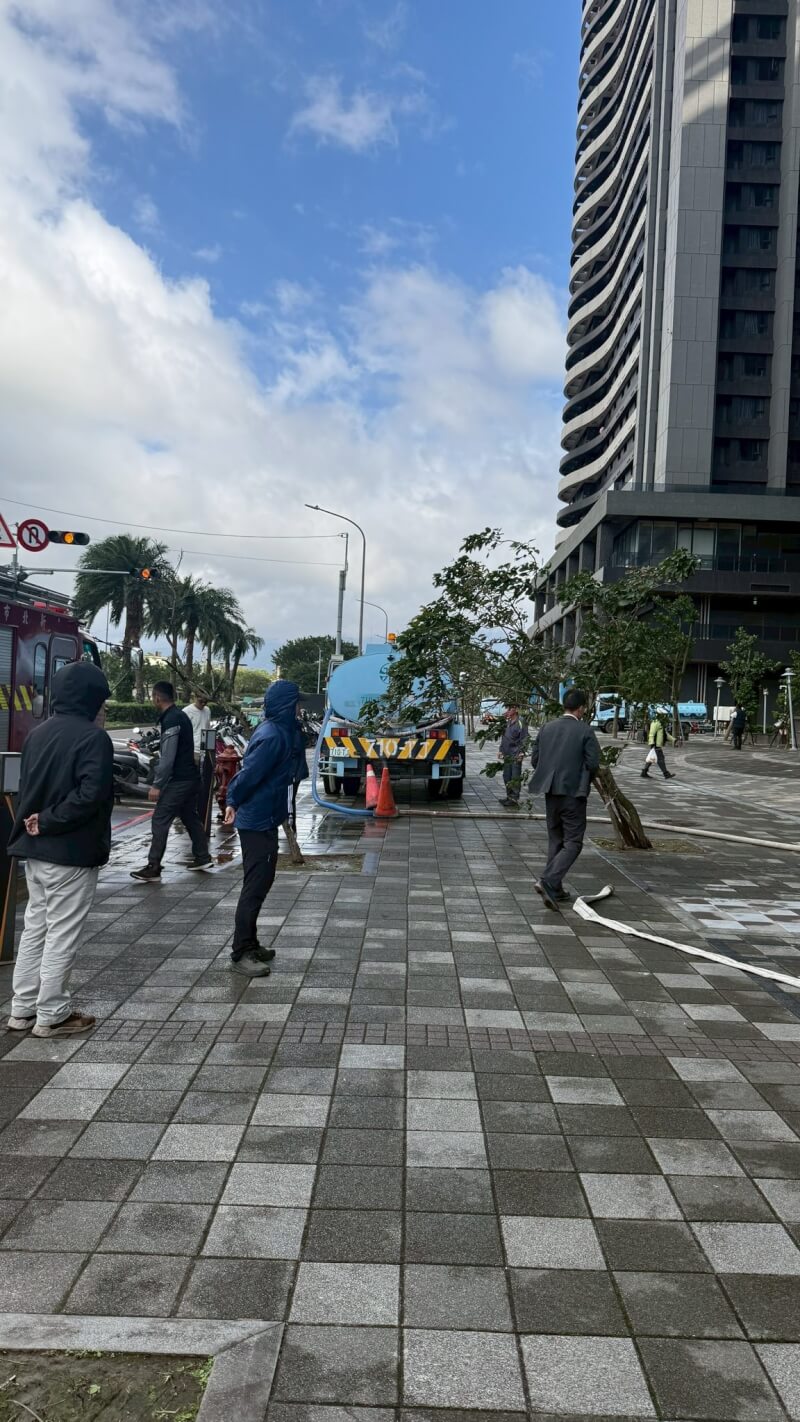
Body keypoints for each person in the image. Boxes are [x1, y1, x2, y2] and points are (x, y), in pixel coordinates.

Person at [5, 662, 113, 1037]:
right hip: (71, 850)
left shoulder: (38, 733)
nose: (102, 707)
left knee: (35, 928)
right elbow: (89, 796)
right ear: (90, 699)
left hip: (34, 851)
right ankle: (52, 1013)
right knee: (62, 932)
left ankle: (21, 1010)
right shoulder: (93, 738)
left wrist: (37, 823)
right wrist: (49, 820)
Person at [224, 680, 299, 976]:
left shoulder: (280, 731)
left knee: (260, 883)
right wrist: (233, 799)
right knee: (255, 886)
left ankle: (251, 943)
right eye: (295, 703)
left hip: (265, 816)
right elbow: (249, 774)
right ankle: (241, 951)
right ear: (285, 705)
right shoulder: (272, 736)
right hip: (257, 820)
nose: (298, 708)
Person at [131, 681, 211, 881]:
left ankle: (153, 867)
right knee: (189, 816)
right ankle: (202, 856)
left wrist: (157, 785)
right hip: (191, 777)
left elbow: (168, 756)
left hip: (180, 780)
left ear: (157, 697)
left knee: (160, 819)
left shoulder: (172, 719)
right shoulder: (179, 715)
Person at [530, 688, 600, 911]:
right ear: (581, 708)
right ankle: (548, 880)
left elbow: (535, 761)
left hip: (551, 793)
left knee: (556, 840)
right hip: (573, 793)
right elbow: (593, 763)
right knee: (573, 842)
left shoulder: (547, 728)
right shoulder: (585, 731)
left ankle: (556, 889)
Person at [498, 705, 529, 809]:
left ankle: (514, 798)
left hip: (515, 754)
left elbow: (525, 738)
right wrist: (501, 750)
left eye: (509, 709)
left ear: (515, 709)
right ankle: (509, 796)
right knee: (506, 776)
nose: (507, 711)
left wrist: (521, 752)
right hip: (507, 754)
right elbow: (505, 737)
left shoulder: (521, 722)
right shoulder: (508, 722)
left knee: (515, 776)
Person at [641, 712, 675, 780]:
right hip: (656, 744)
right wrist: (652, 743)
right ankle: (666, 774)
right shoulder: (655, 722)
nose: (665, 717)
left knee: (651, 758)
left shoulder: (660, 723)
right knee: (660, 759)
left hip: (657, 744)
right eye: (663, 715)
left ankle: (644, 772)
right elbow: (652, 733)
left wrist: (674, 740)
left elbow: (665, 734)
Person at [184, 691, 211, 764]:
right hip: (193, 750)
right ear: (195, 698)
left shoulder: (207, 710)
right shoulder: (186, 711)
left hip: (206, 749)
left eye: (205, 702)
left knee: (205, 773)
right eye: (201, 701)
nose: (203, 703)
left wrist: (210, 748)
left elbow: (208, 729)